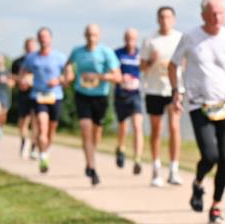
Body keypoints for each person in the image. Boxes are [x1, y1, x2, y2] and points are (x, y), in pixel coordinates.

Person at [169, 0, 225, 224]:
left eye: (221, 13)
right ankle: (197, 183)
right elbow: (173, 64)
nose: (217, 18)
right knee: (210, 155)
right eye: (212, 13)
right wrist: (177, 91)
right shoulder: (191, 37)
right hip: (199, 104)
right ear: (203, 14)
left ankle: (216, 205)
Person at [65, 24, 122, 186]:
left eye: (94, 35)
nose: (91, 38)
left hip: (100, 97)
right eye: (89, 35)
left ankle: (90, 157)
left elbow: (117, 77)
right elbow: (68, 64)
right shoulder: (77, 51)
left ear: (99, 36)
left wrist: (98, 76)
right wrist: (69, 71)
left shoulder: (106, 52)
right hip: (82, 95)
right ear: (85, 35)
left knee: (96, 134)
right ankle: (92, 168)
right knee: (85, 129)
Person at [141, 6, 184, 187]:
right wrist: (152, 60)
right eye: (162, 17)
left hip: (174, 89)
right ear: (157, 20)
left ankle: (174, 169)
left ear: (173, 19)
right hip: (154, 89)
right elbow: (142, 67)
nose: (165, 20)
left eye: (168, 17)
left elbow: (186, 61)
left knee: (174, 127)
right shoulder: (150, 40)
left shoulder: (180, 38)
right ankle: (156, 168)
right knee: (156, 130)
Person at [23, 27, 68, 174]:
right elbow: (23, 73)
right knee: (42, 127)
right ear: (38, 39)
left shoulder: (60, 57)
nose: (43, 39)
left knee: (51, 130)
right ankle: (43, 156)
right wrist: (24, 81)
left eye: (46, 36)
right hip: (38, 96)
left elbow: (69, 76)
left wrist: (59, 80)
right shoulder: (31, 58)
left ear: (51, 39)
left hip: (55, 96)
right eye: (41, 37)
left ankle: (45, 150)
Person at [114, 28, 145, 174]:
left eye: (132, 38)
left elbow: (145, 68)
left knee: (138, 126)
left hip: (135, 94)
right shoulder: (118, 54)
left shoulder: (140, 54)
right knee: (123, 127)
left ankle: (138, 158)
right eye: (127, 38)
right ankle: (120, 148)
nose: (130, 41)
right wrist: (121, 77)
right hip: (121, 94)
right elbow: (112, 71)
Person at [11, 38, 38, 159]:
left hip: (37, 93)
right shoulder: (18, 62)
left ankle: (34, 146)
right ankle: (24, 142)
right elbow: (12, 77)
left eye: (32, 46)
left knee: (36, 121)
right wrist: (20, 80)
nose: (30, 48)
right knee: (23, 121)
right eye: (28, 46)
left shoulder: (40, 60)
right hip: (23, 94)